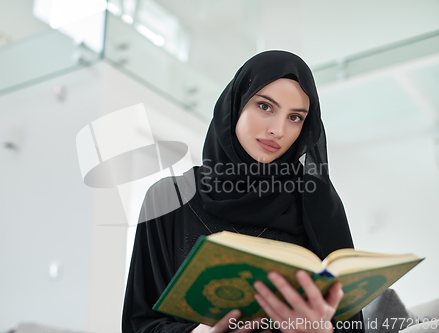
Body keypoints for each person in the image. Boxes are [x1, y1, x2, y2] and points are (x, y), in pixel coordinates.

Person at [122, 50, 365, 333]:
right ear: (235, 104)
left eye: (295, 118)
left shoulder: (316, 200)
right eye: (265, 106)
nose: (278, 129)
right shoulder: (170, 197)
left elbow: (351, 324)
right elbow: (138, 324)